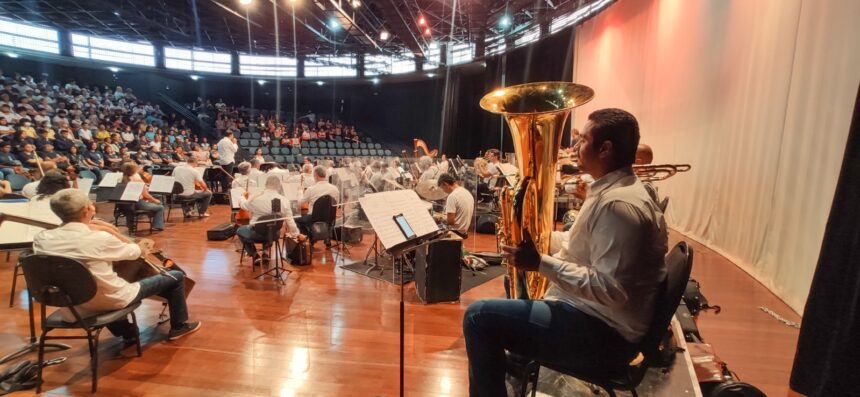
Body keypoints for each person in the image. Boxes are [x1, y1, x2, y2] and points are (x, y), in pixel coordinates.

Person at [463, 108, 669, 396]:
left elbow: (612, 289)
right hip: (597, 319)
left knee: (478, 316)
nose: (574, 147)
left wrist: (541, 263)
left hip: (603, 337)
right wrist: (538, 238)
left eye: (582, 140)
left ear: (605, 149)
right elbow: (579, 245)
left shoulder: (619, 207)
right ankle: (521, 360)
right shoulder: (614, 191)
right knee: (513, 281)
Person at [33, 188, 201, 341]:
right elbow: (136, 252)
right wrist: (108, 229)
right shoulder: (98, 238)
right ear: (87, 209)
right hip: (107, 300)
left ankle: (128, 332)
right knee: (176, 276)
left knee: (100, 278)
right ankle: (179, 326)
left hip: (71, 305)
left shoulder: (41, 239)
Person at [236, 175, 301, 265]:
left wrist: (242, 197)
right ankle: (265, 252)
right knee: (270, 226)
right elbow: (290, 221)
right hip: (274, 235)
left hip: (256, 234)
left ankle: (254, 254)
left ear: (266, 184)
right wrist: (296, 234)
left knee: (239, 230)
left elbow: (243, 205)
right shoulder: (285, 200)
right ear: (279, 186)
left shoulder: (256, 198)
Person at [120, 162, 165, 231]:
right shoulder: (137, 180)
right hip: (137, 203)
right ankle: (157, 226)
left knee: (152, 204)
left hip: (124, 205)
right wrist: (155, 200)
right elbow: (145, 195)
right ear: (134, 170)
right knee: (160, 207)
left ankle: (130, 225)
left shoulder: (121, 179)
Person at [296, 165, 339, 234]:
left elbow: (299, 204)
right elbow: (336, 204)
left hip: (314, 218)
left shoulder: (311, 189)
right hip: (330, 218)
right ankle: (326, 236)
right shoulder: (335, 189)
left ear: (316, 175)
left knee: (297, 220)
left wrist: (300, 192)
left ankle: (309, 236)